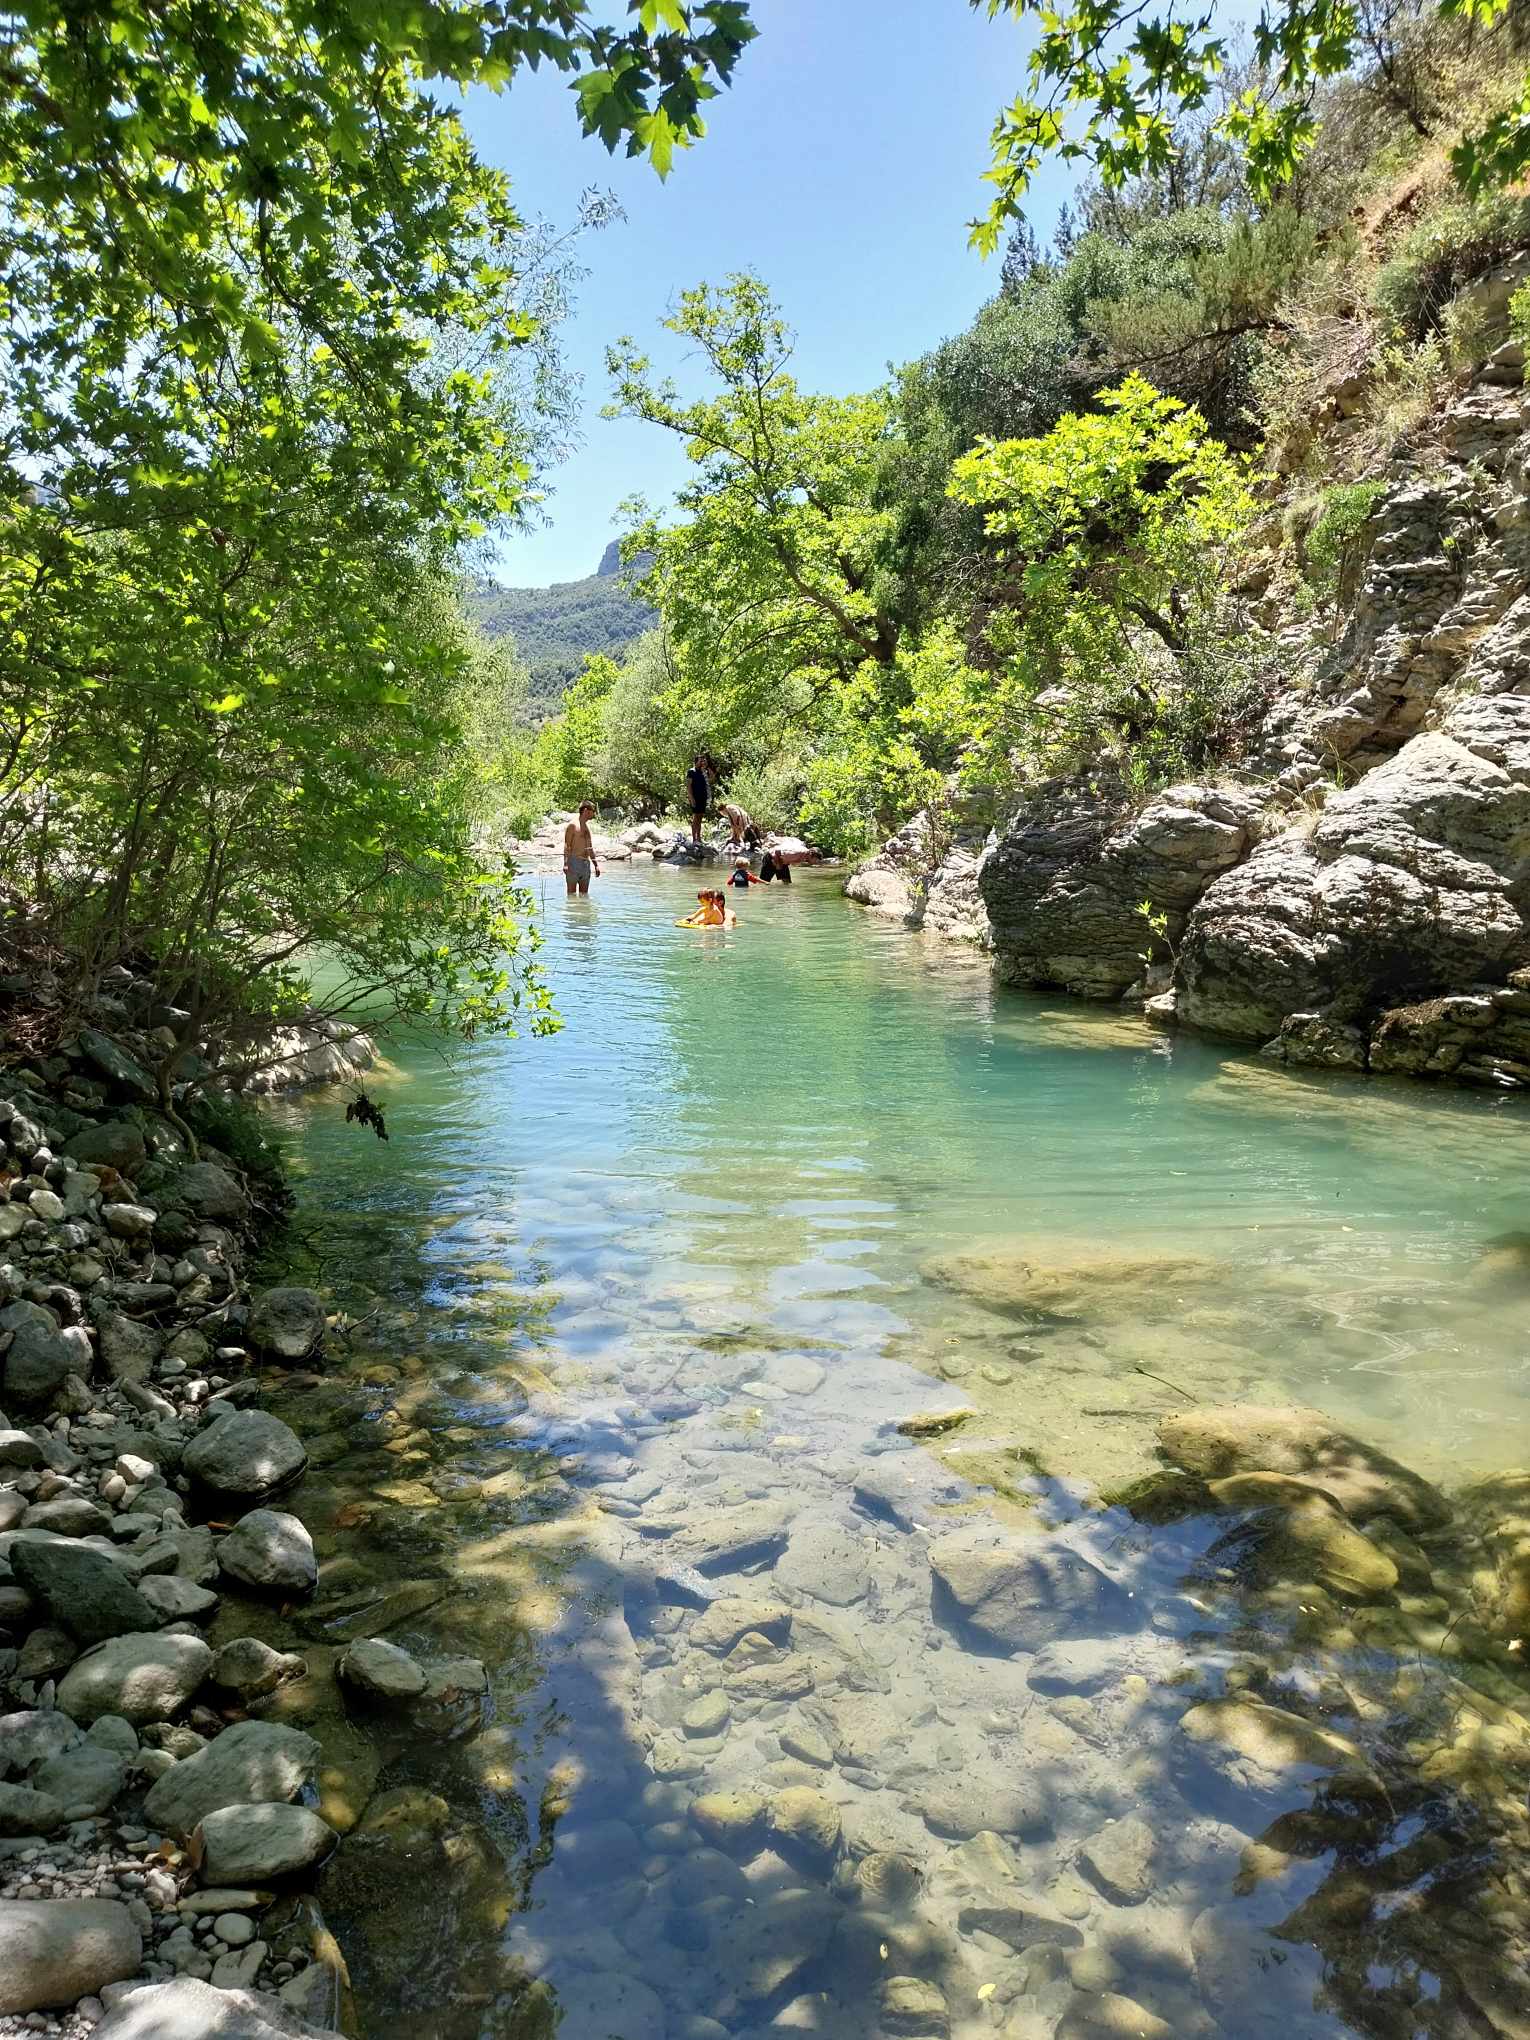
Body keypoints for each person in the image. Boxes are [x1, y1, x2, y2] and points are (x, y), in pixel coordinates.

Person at [563, 802, 601, 896]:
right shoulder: (572, 825)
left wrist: (596, 865)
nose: (594, 813)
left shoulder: (586, 827)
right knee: (571, 895)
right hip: (574, 863)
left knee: (584, 896)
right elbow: (567, 845)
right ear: (585, 811)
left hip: (585, 865)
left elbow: (590, 848)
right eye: (593, 811)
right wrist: (566, 864)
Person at [686, 754, 711, 849]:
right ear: (695, 762)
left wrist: (707, 768)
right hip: (695, 798)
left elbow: (712, 779)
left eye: (703, 761)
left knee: (700, 818)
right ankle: (694, 839)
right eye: (700, 761)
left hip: (703, 797)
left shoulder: (703, 772)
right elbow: (688, 786)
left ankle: (699, 838)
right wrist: (691, 799)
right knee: (695, 818)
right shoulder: (691, 771)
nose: (702, 762)